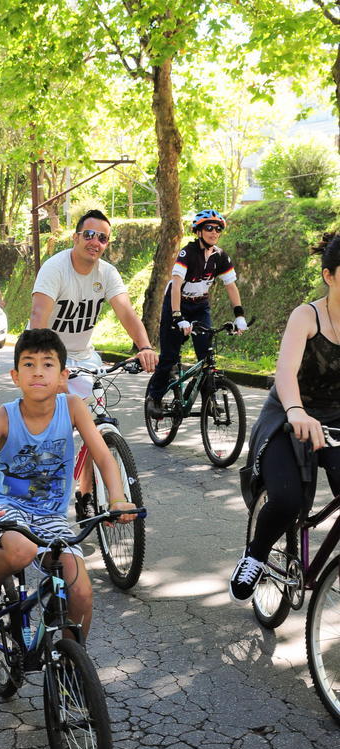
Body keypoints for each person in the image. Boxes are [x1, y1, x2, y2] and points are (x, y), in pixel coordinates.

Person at [0, 328, 137, 639]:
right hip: (6, 506)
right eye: (29, 364)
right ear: (15, 376)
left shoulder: (73, 407)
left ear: (63, 376)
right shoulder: (1, 418)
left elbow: (103, 457)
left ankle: (72, 663)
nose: (38, 372)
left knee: (81, 593)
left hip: (51, 514)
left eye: (48, 364)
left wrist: (117, 498)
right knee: (21, 550)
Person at [229, 231, 340, 603]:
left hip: (335, 420)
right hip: (288, 415)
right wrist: (296, 411)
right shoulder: (307, 315)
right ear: (329, 276)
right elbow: (286, 373)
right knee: (288, 499)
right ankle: (255, 555)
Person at [30, 208, 158, 519]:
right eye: (89, 234)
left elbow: (126, 312)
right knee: (48, 434)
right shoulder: (55, 268)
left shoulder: (107, 273)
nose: (95, 242)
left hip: (84, 356)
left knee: (95, 425)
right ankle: (37, 504)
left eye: (102, 238)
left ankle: (85, 494)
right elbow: (38, 317)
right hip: (46, 354)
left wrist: (144, 346)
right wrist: (46, 366)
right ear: (75, 238)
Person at [146, 209, 247, 416]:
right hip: (177, 304)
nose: (214, 232)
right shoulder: (188, 253)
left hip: (200, 306)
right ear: (198, 231)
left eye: (217, 229)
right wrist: (177, 316)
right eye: (209, 228)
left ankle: (209, 401)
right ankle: (154, 398)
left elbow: (231, 286)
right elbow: (176, 285)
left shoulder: (220, 256)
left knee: (206, 358)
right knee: (169, 357)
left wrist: (239, 315)